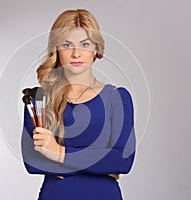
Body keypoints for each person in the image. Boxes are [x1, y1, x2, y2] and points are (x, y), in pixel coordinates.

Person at [21, 9, 136, 200]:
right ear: (56, 49)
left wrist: (58, 152)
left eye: (85, 44)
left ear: (96, 49)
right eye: (67, 45)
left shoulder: (118, 98)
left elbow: (122, 161)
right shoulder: (38, 99)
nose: (76, 54)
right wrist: (99, 165)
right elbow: (32, 163)